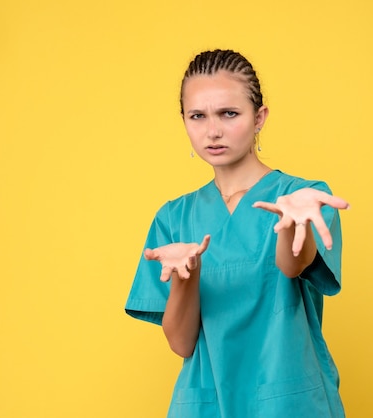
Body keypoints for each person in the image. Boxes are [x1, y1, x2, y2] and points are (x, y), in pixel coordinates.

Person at [125, 49, 349, 417]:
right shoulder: (173, 218)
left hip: (288, 403)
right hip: (206, 405)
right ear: (184, 121)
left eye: (229, 114)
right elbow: (181, 343)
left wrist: (294, 224)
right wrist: (187, 276)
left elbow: (293, 265)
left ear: (259, 118)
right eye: (197, 116)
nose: (213, 130)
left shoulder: (301, 198)